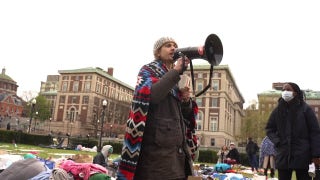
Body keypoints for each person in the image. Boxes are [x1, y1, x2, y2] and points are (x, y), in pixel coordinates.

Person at [117, 37, 199, 180]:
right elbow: (152, 95)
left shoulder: (175, 77)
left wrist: (185, 100)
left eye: (175, 45)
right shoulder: (148, 70)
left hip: (176, 157)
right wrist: (175, 72)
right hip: (156, 160)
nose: (173, 48)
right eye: (168, 46)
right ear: (158, 52)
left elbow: (184, 115)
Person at [266, 82, 320, 180]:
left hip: (303, 156)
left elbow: (315, 132)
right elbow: (269, 129)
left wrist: (316, 155)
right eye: (283, 90)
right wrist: (277, 141)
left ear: (295, 92)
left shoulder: (306, 109)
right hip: (284, 155)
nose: (285, 92)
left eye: (288, 90)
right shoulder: (278, 110)